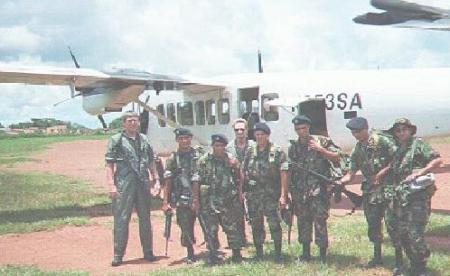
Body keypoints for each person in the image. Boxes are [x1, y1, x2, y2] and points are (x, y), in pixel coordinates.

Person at [340, 117, 398, 268]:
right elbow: (351, 173)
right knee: (373, 225)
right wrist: (340, 182)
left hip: (388, 189)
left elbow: (398, 159)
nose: (356, 135)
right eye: (353, 133)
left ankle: (399, 261)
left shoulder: (382, 141)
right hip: (371, 193)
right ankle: (377, 257)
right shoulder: (357, 150)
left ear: (366, 129)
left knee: (393, 225)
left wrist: (381, 173)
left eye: (358, 132)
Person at [105, 111, 161, 267]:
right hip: (124, 183)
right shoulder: (116, 140)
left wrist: (156, 179)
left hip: (142, 183)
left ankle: (148, 252)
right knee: (121, 219)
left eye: (135, 120)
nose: (133, 123)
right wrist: (111, 185)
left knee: (145, 218)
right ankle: (118, 255)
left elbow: (151, 161)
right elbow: (109, 165)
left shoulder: (144, 139)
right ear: (124, 123)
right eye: (130, 121)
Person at [389, 118, 442, 276]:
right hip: (403, 197)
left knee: (415, 232)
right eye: (398, 130)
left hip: (418, 197)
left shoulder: (418, 145)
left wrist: (419, 173)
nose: (401, 132)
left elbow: (438, 160)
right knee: (402, 232)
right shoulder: (399, 149)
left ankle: (422, 266)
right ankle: (414, 264)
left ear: (411, 130)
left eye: (404, 129)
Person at [287, 115, 340, 263]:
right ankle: (305, 254)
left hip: (319, 190)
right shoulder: (294, 147)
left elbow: (338, 157)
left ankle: (323, 255)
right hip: (300, 191)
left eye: (303, 128)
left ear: (308, 128)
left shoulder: (322, 141)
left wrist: (321, 150)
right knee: (303, 222)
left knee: (320, 222)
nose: (301, 131)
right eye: (298, 129)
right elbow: (291, 170)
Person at [194, 134, 245, 264]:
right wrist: (196, 200)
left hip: (227, 199)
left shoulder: (231, 159)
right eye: (217, 145)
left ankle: (236, 254)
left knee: (231, 227)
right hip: (209, 201)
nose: (219, 148)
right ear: (212, 146)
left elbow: (240, 177)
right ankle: (213, 253)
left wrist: (240, 193)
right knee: (211, 229)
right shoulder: (204, 160)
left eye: (222, 146)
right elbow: (197, 180)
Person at [242, 122, 289, 262]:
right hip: (254, 195)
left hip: (271, 194)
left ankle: (278, 253)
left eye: (262, 134)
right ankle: (259, 253)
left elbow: (284, 173)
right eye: (257, 135)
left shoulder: (277, 150)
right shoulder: (250, 151)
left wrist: (283, 195)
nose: (259, 137)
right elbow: (243, 171)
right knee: (256, 224)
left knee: (274, 224)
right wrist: (243, 190)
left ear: (267, 135)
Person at [161, 128, 203, 264]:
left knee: (208, 223)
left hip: (201, 195)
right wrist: (166, 201)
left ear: (191, 138)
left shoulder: (199, 155)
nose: (184, 141)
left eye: (186, 138)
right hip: (182, 197)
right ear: (177, 140)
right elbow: (168, 180)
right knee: (185, 225)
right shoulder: (173, 158)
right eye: (181, 138)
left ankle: (212, 249)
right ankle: (190, 252)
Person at [226, 118, 255, 244]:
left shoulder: (254, 146)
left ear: (247, 130)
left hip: (253, 183)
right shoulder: (228, 148)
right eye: (237, 130)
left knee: (254, 212)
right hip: (236, 183)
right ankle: (242, 238)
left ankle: (258, 238)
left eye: (242, 129)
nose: (239, 132)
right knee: (237, 213)